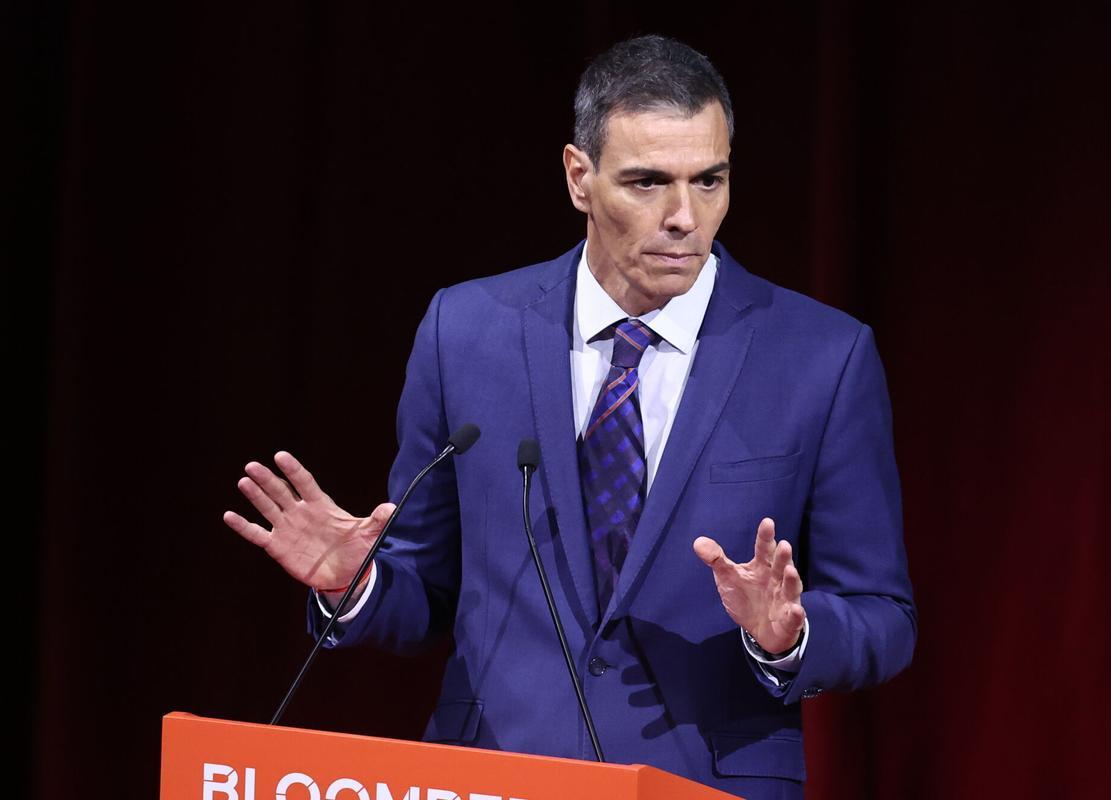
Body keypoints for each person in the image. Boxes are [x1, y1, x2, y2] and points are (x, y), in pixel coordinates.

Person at [224, 35, 916, 800]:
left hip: (702, 784)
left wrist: (790, 634)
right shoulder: (465, 332)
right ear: (579, 177)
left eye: (709, 181)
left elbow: (883, 616)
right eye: (648, 182)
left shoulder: (822, 357)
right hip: (491, 777)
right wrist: (355, 585)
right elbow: (426, 591)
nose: (685, 217)